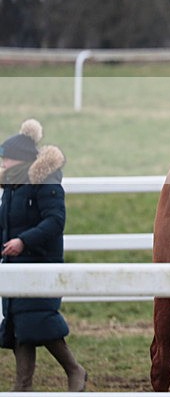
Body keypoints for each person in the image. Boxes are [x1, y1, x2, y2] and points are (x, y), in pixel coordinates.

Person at [0, 119, 87, 392]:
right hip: (15, 265)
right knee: (18, 328)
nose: (2, 165)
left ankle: (75, 371)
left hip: (39, 264)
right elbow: (5, 227)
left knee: (38, 321)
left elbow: (54, 221)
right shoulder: (11, 190)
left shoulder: (45, 184)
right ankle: (22, 386)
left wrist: (23, 242)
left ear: (21, 162)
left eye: (5, 160)